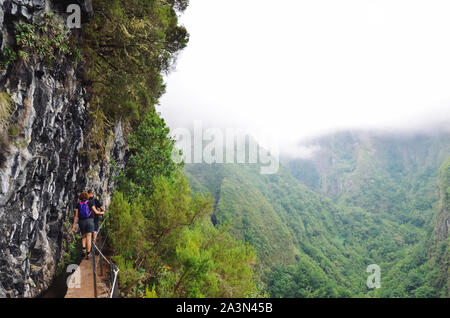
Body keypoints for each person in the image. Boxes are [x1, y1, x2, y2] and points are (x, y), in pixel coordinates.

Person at [72, 192, 95, 259]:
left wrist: (74, 225)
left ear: (80, 197)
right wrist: (101, 212)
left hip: (81, 221)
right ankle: (88, 253)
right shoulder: (90, 203)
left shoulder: (78, 204)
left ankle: (83, 249)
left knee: (83, 236)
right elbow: (96, 211)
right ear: (87, 197)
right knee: (89, 236)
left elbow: (76, 216)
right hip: (89, 221)